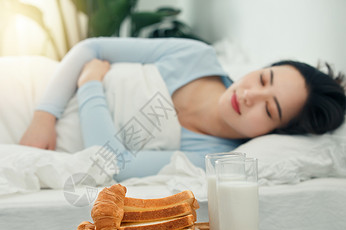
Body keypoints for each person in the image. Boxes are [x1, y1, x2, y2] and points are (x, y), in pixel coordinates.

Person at [20, 37, 346, 181]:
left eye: (270, 109)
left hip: (72, 112)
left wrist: (91, 84)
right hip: (44, 92)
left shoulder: (210, 158)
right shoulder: (196, 57)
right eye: (263, 79)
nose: (249, 95)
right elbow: (92, 47)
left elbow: (112, 164)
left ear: (274, 133)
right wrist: (43, 116)